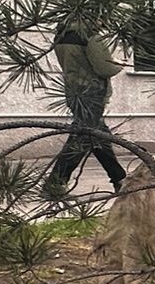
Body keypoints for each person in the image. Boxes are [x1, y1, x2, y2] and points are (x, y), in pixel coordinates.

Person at [45, 25, 127, 195]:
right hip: (92, 91)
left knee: (98, 137)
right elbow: (104, 68)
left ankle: (119, 178)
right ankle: (55, 182)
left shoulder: (62, 34)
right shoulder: (90, 36)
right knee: (82, 138)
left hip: (73, 90)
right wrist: (118, 65)